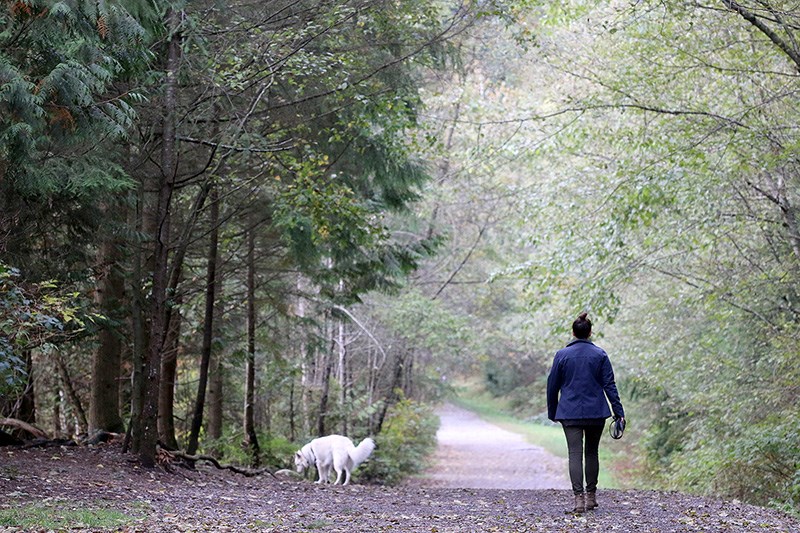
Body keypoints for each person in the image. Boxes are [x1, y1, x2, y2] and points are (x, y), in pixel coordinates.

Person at [546, 312, 625, 513]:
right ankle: (591, 497)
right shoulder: (600, 355)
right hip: (596, 412)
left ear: (573, 332)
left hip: (569, 412)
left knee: (574, 454)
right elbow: (610, 385)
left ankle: (578, 500)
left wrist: (553, 412)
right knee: (591, 452)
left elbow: (552, 386)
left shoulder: (561, 355)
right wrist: (619, 412)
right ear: (590, 332)